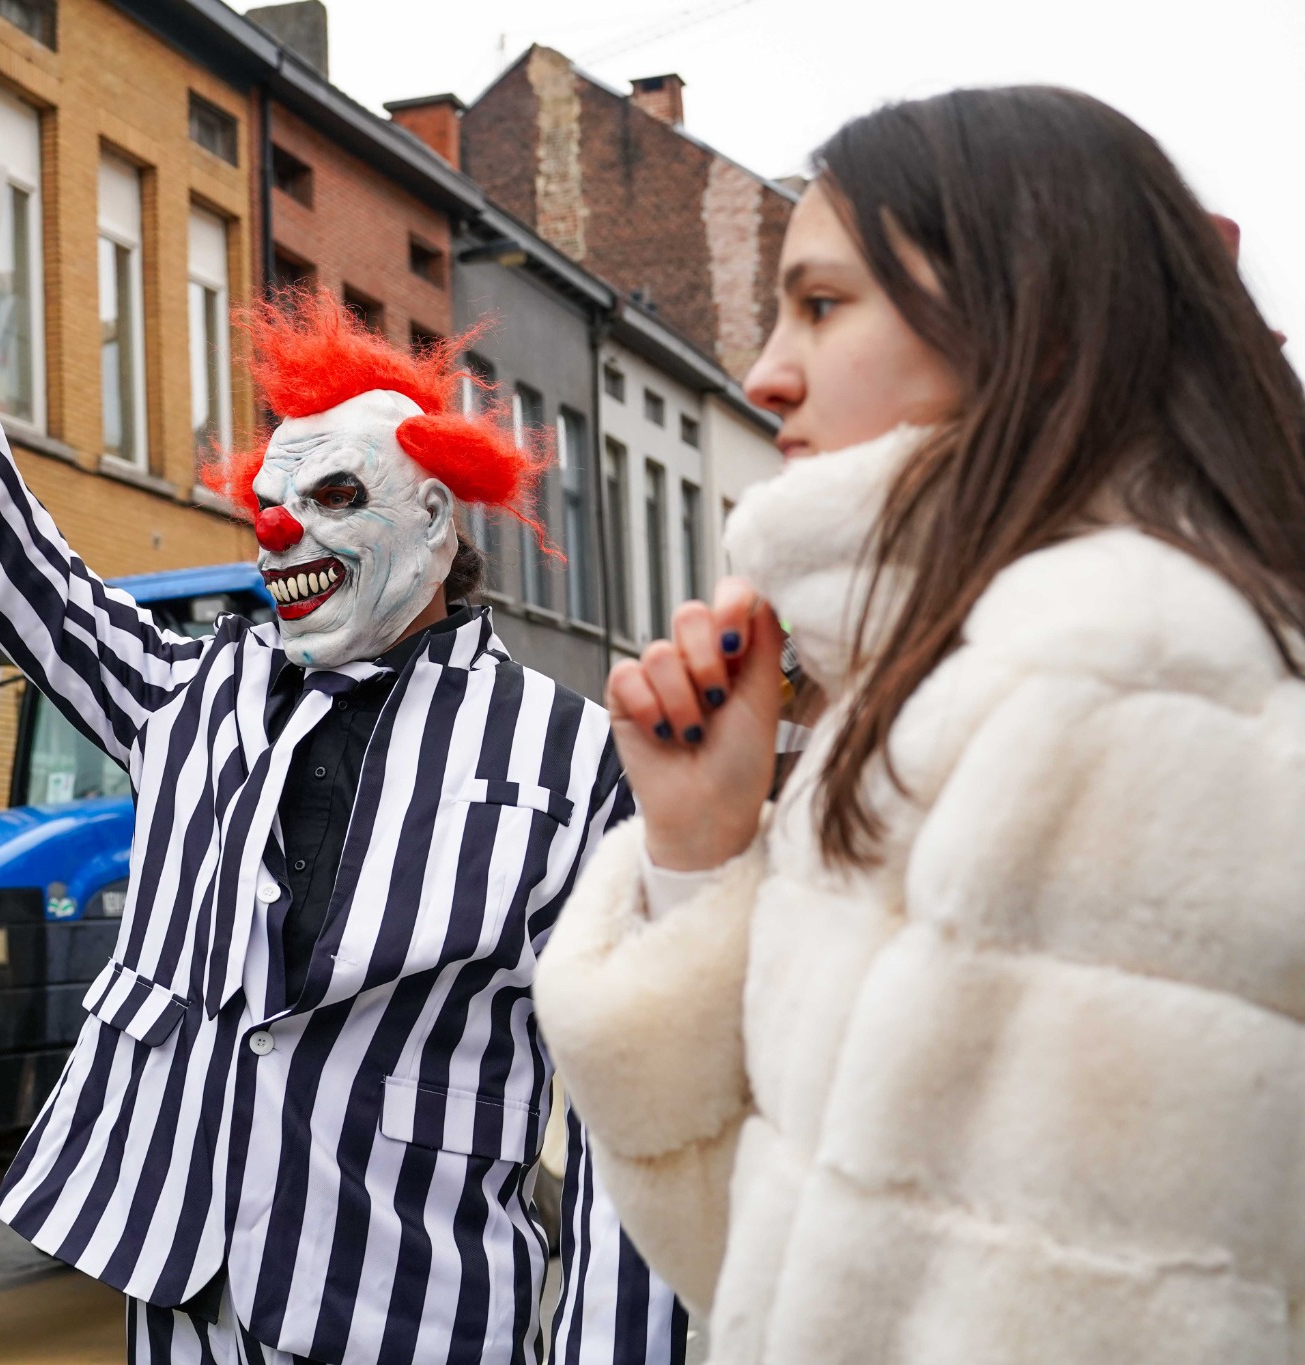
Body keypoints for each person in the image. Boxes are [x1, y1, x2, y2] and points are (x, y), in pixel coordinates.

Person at [0, 152, 683, 1365]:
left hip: (419, 1321)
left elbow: (631, 1115)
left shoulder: (573, 761)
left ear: (432, 517)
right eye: (266, 499)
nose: (275, 530)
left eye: (331, 495)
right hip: (190, 1309)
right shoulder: (190, 698)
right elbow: (23, 577)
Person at [534, 86, 1305, 1363]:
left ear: (1034, 334)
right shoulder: (945, 686)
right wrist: (697, 850)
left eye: (821, 305)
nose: (764, 371)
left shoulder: (1114, 684)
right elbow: (790, 1274)